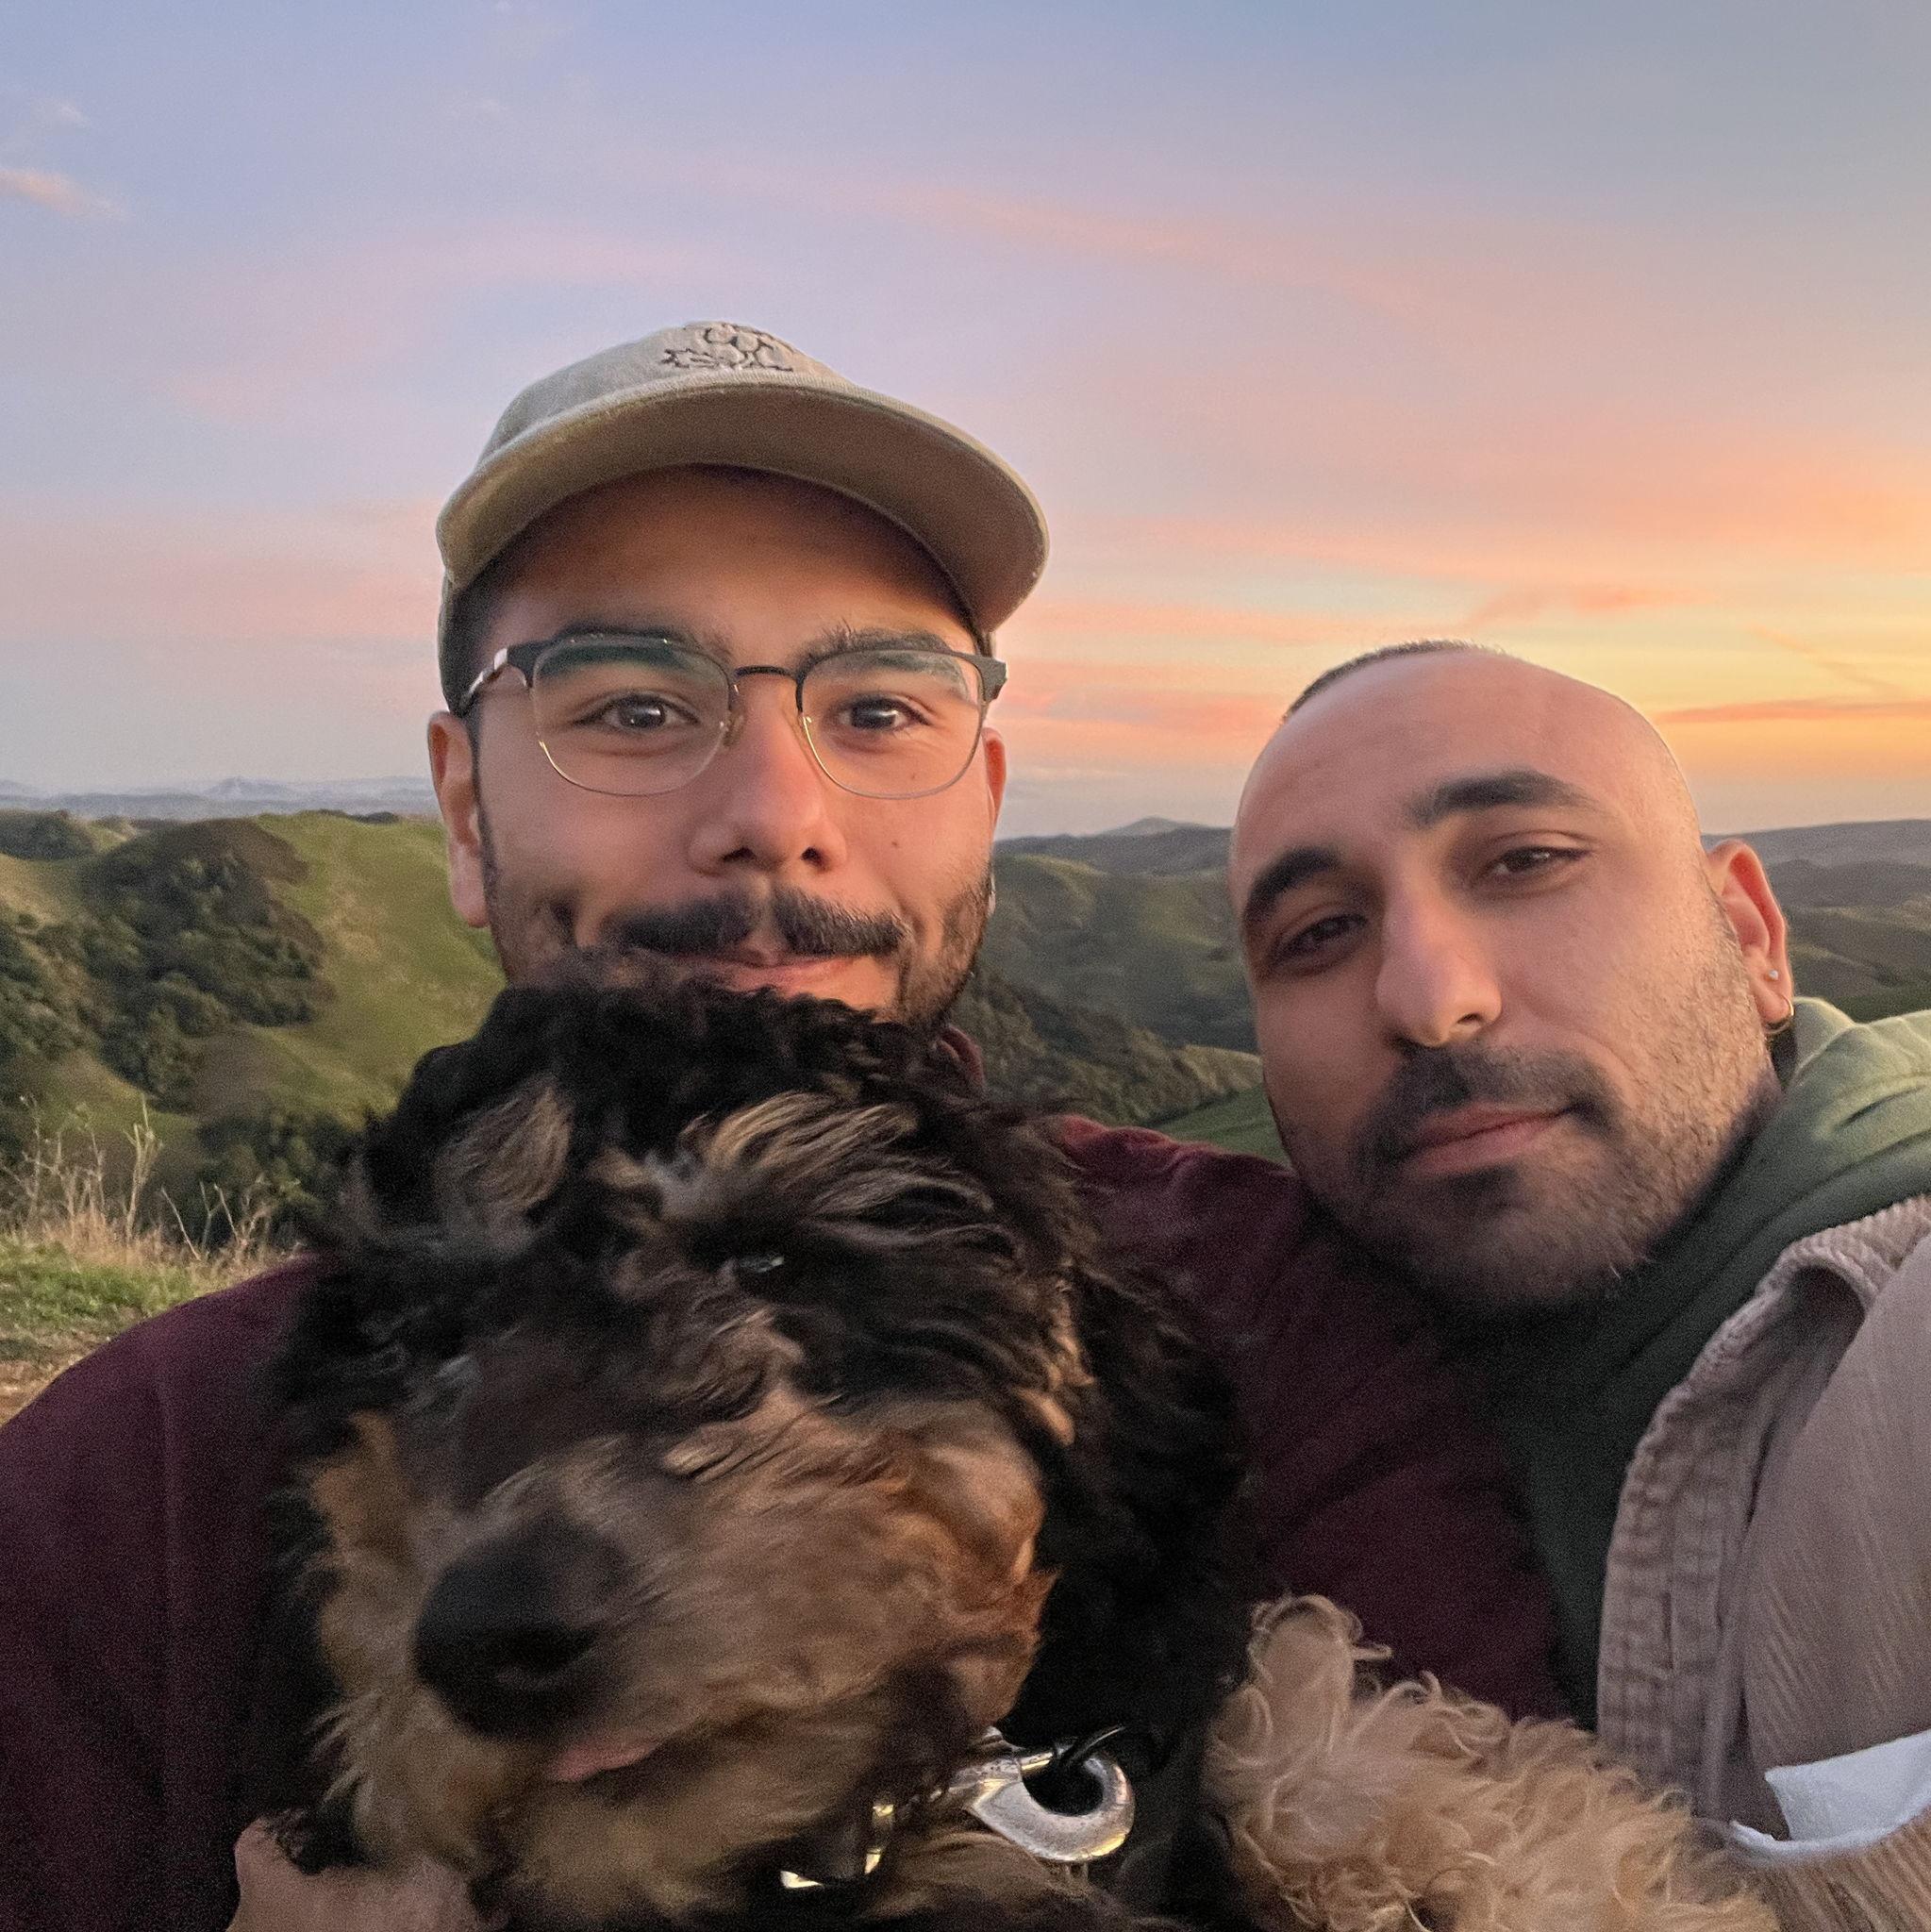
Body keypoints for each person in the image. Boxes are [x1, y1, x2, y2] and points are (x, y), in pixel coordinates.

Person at [0, 328, 1556, 1932]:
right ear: (464, 813)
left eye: (879, 710)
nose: (776, 809)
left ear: (987, 800)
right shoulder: (131, 1494)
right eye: (629, 705)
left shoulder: (1276, 1319)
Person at [1228, 638, 1931, 1928]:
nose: (1433, 999)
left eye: (1525, 863)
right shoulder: (1272, 1402)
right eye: (1318, 933)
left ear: (1751, 937)